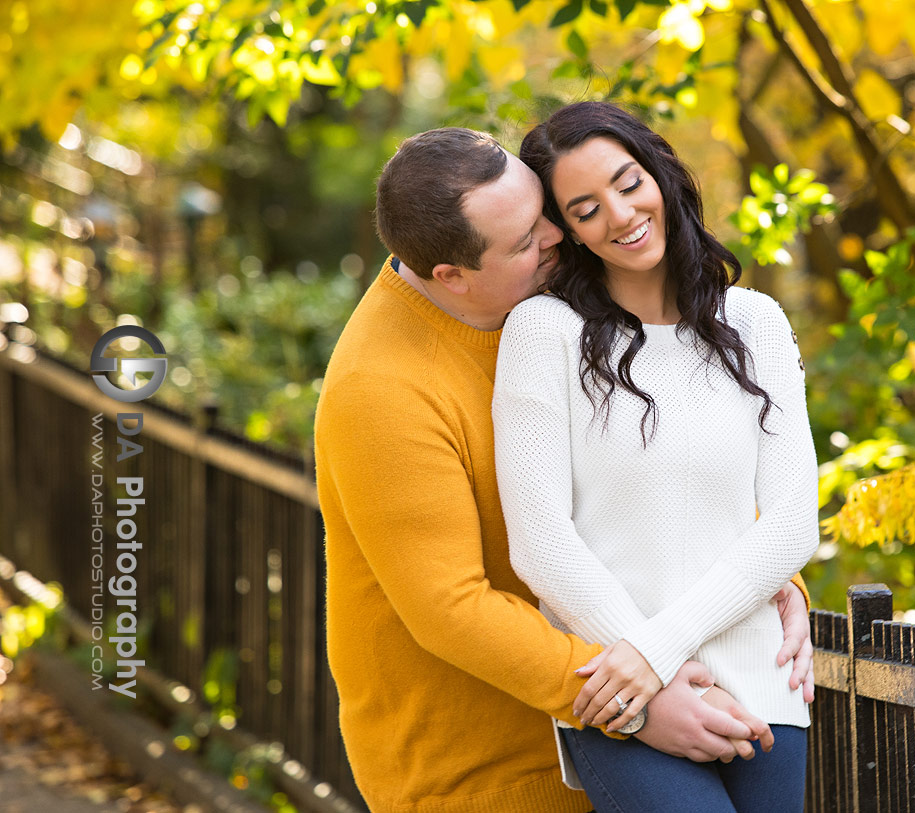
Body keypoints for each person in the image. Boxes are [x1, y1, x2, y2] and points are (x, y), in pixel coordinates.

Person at [314, 126, 817, 813]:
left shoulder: (538, 314)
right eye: (526, 241)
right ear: (451, 275)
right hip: (485, 776)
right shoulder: (380, 389)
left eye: (545, 212)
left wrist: (762, 579)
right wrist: (640, 696)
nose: (558, 235)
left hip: (607, 720)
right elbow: (451, 609)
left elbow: (644, 473)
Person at [493, 102, 820, 812]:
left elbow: (792, 523)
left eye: (627, 181)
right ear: (568, 231)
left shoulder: (755, 322)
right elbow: (541, 541)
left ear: (662, 174)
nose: (618, 213)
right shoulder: (544, 332)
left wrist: (663, 645)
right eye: (585, 208)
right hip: (621, 692)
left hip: (762, 684)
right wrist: (646, 666)